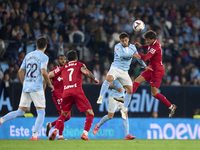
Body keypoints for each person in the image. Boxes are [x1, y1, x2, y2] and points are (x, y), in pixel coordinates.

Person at [0, 37, 54, 140]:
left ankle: (1, 120)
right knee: (41, 112)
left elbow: (20, 71)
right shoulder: (44, 57)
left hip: (26, 87)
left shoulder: (28, 55)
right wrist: (49, 84)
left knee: (20, 111)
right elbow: (43, 72)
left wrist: (24, 83)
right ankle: (34, 136)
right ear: (46, 46)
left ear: (36, 45)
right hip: (37, 87)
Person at [96, 32, 152, 119]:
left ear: (128, 39)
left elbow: (138, 57)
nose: (124, 42)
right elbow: (122, 55)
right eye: (122, 41)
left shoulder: (132, 47)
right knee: (109, 78)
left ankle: (124, 108)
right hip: (115, 68)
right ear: (120, 41)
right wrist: (132, 54)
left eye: (126, 40)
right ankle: (100, 97)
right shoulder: (117, 46)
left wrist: (144, 66)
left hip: (125, 72)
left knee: (130, 90)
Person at [48, 50, 99, 141]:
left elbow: (50, 74)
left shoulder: (63, 67)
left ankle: (55, 131)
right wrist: (94, 78)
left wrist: (50, 83)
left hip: (66, 93)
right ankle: (85, 134)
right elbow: (86, 73)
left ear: (67, 59)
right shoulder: (79, 64)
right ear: (76, 58)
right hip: (77, 91)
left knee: (63, 114)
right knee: (90, 113)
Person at [133, 30, 177, 118]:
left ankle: (171, 106)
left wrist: (135, 53)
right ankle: (127, 97)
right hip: (151, 69)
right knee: (137, 80)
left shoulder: (155, 47)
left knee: (154, 94)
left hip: (157, 71)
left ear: (153, 39)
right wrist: (142, 46)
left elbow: (145, 58)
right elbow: (149, 47)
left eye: (148, 40)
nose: (146, 42)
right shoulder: (153, 43)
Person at [45, 55, 71, 140]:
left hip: (66, 95)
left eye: (64, 59)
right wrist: (50, 85)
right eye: (61, 59)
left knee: (67, 116)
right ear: (58, 60)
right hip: (58, 94)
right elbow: (47, 76)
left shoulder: (67, 69)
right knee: (63, 114)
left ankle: (51, 125)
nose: (63, 61)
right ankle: (60, 135)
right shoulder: (54, 70)